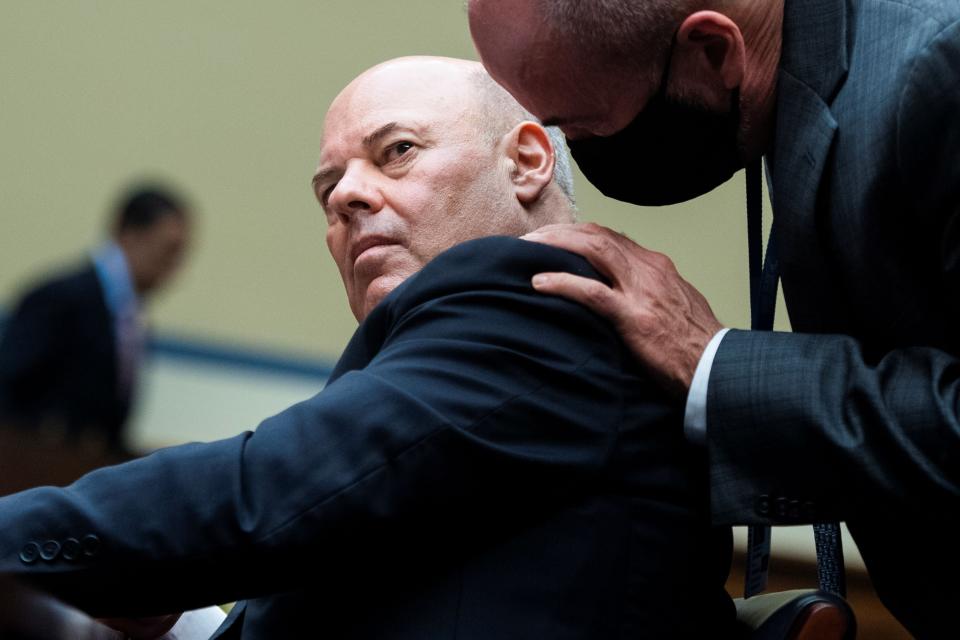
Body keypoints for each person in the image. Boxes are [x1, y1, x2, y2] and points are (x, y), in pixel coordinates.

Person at [0, 57, 735, 639]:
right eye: (328, 191)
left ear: (528, 160)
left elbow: (264, 493)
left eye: (397, 152)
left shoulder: (538, 300)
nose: (347, 196)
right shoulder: (468, 357)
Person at [468, 0, 960, 634]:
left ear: (714, 51)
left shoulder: (938, 66)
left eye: (580, 126)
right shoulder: (805, 63)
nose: (562, 149)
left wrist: (712, 362)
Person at [0, 186, 191, 456]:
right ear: (129, 235)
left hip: (83, 474)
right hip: (36, 472)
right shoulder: (59, 297)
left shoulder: (130, 316)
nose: (175, 266)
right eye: (170, 249)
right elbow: (8, 391)